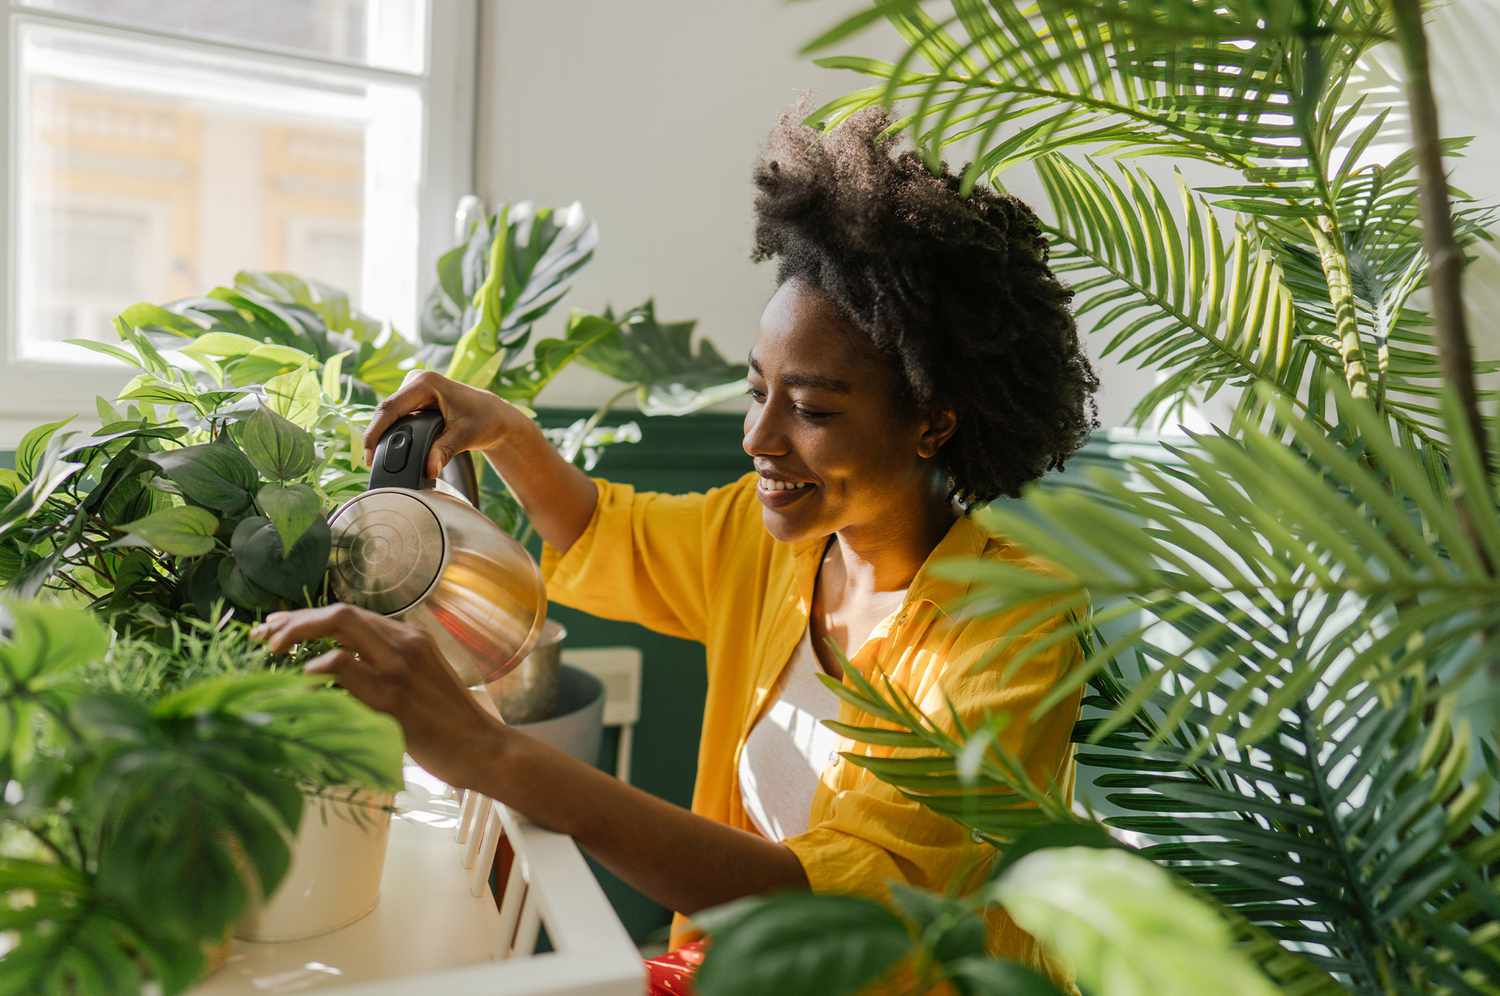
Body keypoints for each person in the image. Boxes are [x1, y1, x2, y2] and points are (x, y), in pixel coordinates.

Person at [251, 106, 1100, 992]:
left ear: (933, 422)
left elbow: (842, 920)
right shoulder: (777, 542)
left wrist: (491, 753)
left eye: (811, 410)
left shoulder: (1014, 623)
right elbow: (606, 532)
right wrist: (504, 429)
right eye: (756, 391)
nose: (757, 438)